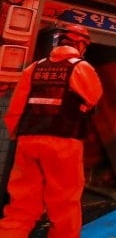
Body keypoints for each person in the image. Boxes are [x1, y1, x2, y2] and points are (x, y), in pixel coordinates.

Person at [0, 24, 103, 238]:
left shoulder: (34, 68)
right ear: (81, 44)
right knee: (64, 205)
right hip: (64, 142)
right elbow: (92, 99)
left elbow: (14, 111)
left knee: (20, 208)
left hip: (27, 140)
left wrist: (18, 136)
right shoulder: (81, 67)